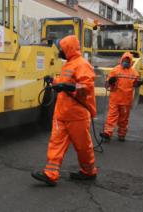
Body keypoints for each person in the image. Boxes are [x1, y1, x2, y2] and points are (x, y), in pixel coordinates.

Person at [31, 35, 98, 186]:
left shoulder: (82, 64)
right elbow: (64, 83)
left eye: (62, 48)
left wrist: (69, 87)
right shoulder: (68, 64)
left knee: (83, 147)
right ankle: (50, 174)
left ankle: (88, 172)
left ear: (68, 48)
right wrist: (53, 81)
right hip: (62, 113)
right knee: (55, 143)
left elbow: (87, 88)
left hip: (77, 115)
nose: (60, 51)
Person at [100, 52, 143, 142]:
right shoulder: (115, 70)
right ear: (122, 60)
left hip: (126, 101)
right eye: (124, 60)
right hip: (115, 99)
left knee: (124, 119)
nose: (126, 62)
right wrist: (110, 81)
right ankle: (107, 133)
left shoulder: (134, 73)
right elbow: (106, 85)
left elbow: (135, 84)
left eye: (127, 60)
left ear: (130, 61)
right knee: (111, 117)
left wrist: (142, 82)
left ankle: (122, 134)